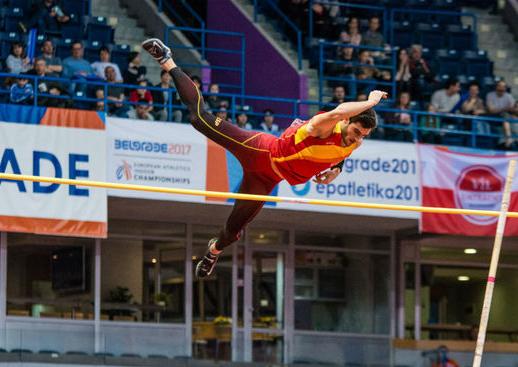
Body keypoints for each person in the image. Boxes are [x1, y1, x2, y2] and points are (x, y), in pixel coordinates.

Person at [141, 38, 386, 278]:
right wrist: (370, 101)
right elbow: (341, 110)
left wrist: (337, 170)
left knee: (233, 232)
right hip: (260, 150)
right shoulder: (323, 125)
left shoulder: (355, 142)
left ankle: (212, 252)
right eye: (356, 131)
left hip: (267, 179)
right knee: (199, 119)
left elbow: (341, 153)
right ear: (346, 122)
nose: (357, 139)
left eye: (363, 136)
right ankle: (167, 60)